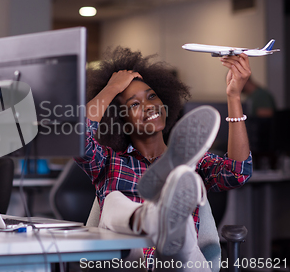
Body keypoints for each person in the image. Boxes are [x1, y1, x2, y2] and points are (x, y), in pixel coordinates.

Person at [75, 47, 253, 271]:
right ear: (120, 119)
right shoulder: (108, 162)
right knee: (112, 203)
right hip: (131, 264)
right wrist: (112, 88)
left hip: (182, 266)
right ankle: (151, 219)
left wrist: (234, 95)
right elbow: (76, 137)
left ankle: (170, 226)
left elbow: (238, 173)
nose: (149, 106)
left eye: (151, 96)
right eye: (135, 104)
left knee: (178, 240)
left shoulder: (191, 160)